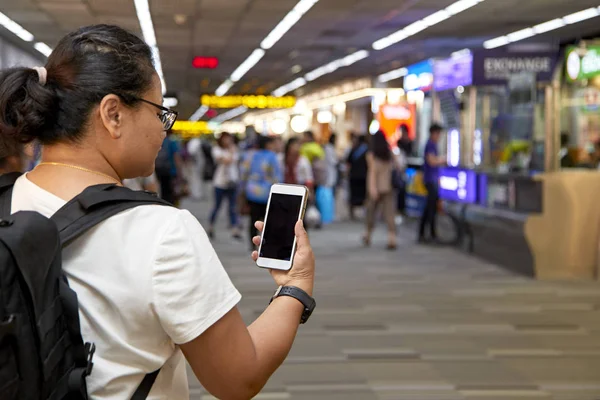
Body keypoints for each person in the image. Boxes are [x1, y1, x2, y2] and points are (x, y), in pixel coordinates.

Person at [0, 24, 315, 399]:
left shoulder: (6, 201)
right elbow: (238, 377)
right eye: (159, 112)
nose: (164, 128)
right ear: (113, 114)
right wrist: (296, 287)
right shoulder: (161, 230)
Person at [241, 135, 282, 248]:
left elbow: (243, 173)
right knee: (268, 220)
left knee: (253, 219)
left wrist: (242, 188)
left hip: (252, 191)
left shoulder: (249, 155)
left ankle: (252, 242)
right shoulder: (272, 156)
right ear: (268, 144)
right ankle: (267, 243)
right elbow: (277, 175)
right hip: (267, 192)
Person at [363, 131, 398, 250]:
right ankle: (391, 238)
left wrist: (372, 189)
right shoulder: (389, 153)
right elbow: (398, 166)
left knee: (371, 212)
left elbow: (372, 173)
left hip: (376, 187)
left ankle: (368, 234)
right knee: (389, 213)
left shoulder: (371, 155)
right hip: (388, 186)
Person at [208, 132, 241, 239]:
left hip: (232, 182)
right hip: (220, 183)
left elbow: (235, 160)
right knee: (217, 206)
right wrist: (231, 151)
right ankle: (211, 226)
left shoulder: (234, 149)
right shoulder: (217, 149)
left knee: (232, 207)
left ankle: (234, 229)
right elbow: (226, 161)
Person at [418, 123, 446, 243]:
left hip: (432, 179)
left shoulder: (433, 144)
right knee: (431, 209)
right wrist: (443, 160)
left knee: (429, 208)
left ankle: (423, 233)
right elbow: (431, 161)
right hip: (430, 180)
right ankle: (431, 234)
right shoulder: (430, 145)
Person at [155, 130, 182, 204]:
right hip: (170, 171)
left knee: (160, 190)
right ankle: (169, 205)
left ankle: (161, 203)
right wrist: (179, 171)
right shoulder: (171, 142)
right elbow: (176, 157)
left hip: (157, 170)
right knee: (169, 191)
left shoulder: (157, 141)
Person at [346, 133, 368, 220]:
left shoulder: (354, 149)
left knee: (353, 195)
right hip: (363, 176)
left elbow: (348, 162)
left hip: (354, 176)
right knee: (363, 195)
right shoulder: (367, 150)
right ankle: (364, 213)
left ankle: (352, 214)